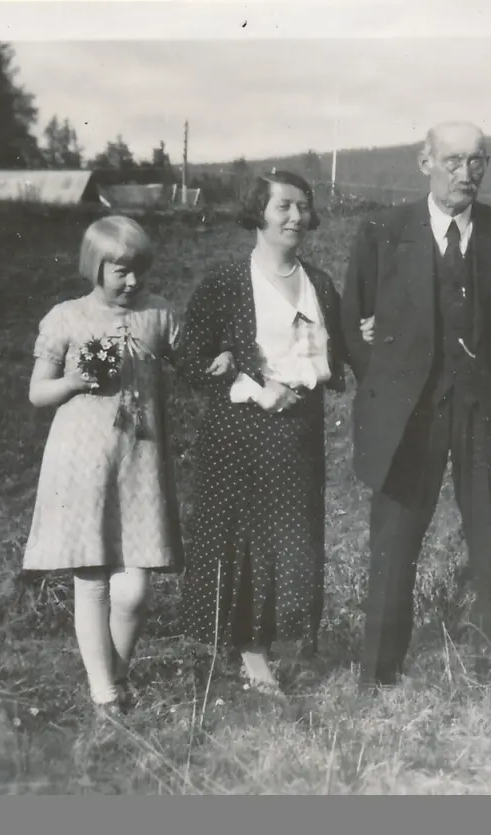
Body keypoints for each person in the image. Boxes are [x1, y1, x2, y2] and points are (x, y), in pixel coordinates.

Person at [341, 121, 491, 689]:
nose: (466, 173)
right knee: (395, 539)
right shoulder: (382, 231)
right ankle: (379, 675)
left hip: (483, 410)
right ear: (424, 162)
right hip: (410, 414)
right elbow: (354, 328)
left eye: (477, 161)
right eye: (453, 161)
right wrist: (389, 386)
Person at [177, 170, 353, 695]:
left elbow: (336, 351)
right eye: (283, 207)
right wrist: (237, 374)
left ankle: (275, 643)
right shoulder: (226, 283)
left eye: (303, 207)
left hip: (300, 431)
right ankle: (249, 657)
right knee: (246, 541)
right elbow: (188, 359)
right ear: (258, 213)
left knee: (291, 542)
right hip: (242, 433)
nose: (295, 217)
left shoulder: (319, 283)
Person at [23, 215, 184, 717]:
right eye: (120, 271)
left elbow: (193, 360)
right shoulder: (66, 317)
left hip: (140, 461)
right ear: (95, 267)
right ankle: (105, 692)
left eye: (139, 270)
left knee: (135, 587)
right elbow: (37, 392)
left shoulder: (158, 314)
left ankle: (115, 673)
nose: (132, 281)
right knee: (92, 578)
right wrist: (73, 382)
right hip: (83, 462)